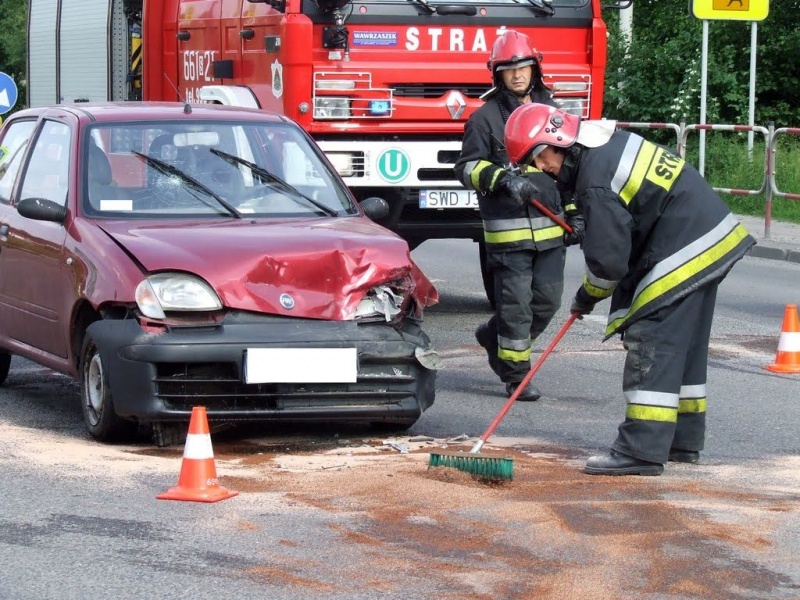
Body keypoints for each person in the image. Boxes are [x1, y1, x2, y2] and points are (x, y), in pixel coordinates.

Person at [503, 102, 756, 475]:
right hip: (708, 237)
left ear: (559, 140)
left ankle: (640, 449)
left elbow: (608, 265)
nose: (541, 167)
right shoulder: (605, 147)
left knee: (652, 337)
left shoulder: (595, 179)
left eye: (540, 155)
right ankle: (680, 442)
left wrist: (587, 295)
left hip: (683, 247)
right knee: (683, 347)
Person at [455, 30, 585, 402]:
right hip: (508, 235)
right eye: (508, 69)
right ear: (496, 74)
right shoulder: (484, 119)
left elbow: (569, 169)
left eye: (523, 67)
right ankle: (516, 375)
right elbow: (465, 169)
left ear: (535, 69)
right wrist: (501, 179)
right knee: (515, 308)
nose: (516, 75)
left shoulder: (555, 114)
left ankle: (491, 338)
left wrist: (575, 214)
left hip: (550, 231)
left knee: (546, 303)